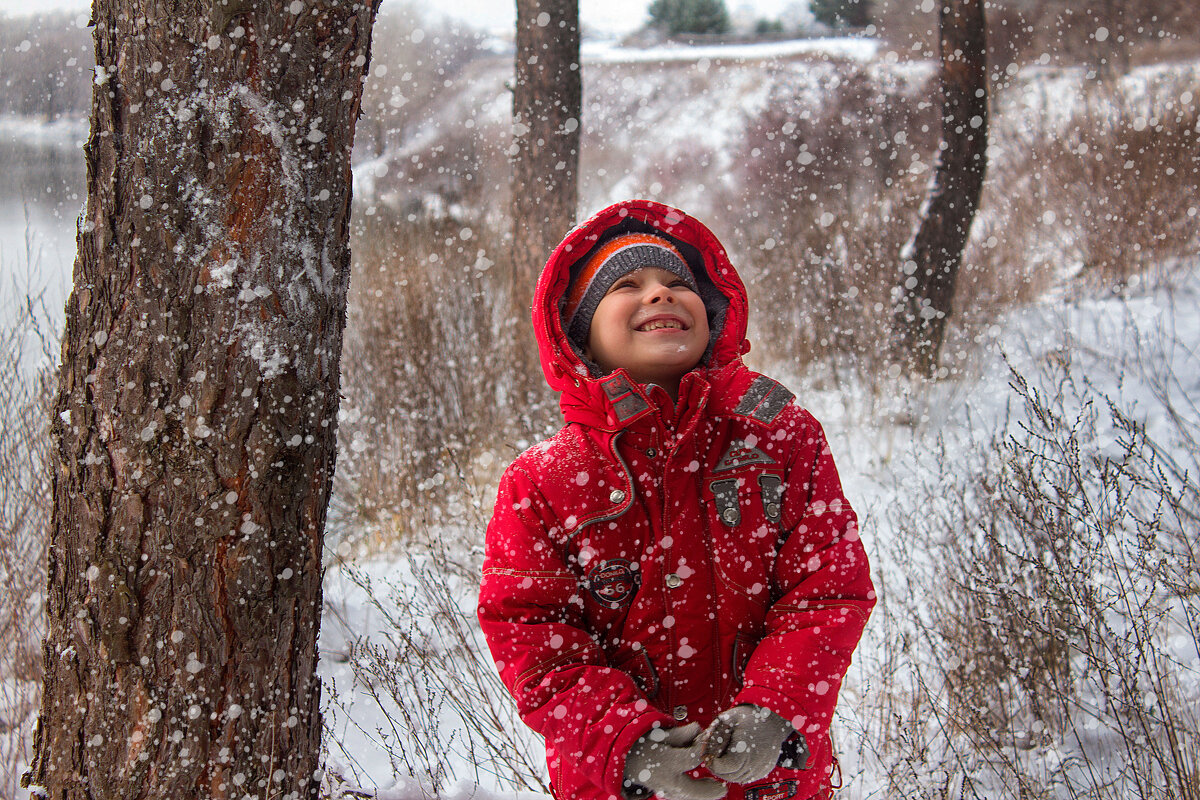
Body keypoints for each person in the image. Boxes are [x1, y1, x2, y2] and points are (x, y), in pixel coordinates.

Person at [477, 200, 875, 800]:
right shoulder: (543, 481)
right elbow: (533, 636)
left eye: (676, 283)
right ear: (581, 332)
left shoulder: (780, 436)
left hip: (775, 780)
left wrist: (776, 711)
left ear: (712, 314)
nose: (659, 295)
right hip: (622, 786)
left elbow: (826, 593)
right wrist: (628, 742)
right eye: (627, 285)